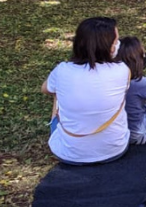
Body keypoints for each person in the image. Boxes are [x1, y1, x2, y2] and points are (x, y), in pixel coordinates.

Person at [42, 17, 130, 165]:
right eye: (115, 41)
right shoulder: (122, 70)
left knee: (57, 91)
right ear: (108, 47)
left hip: (68, 154)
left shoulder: (62, 70)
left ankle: (60, 130)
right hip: (114, 150)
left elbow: (45, 89)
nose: (118, 44)